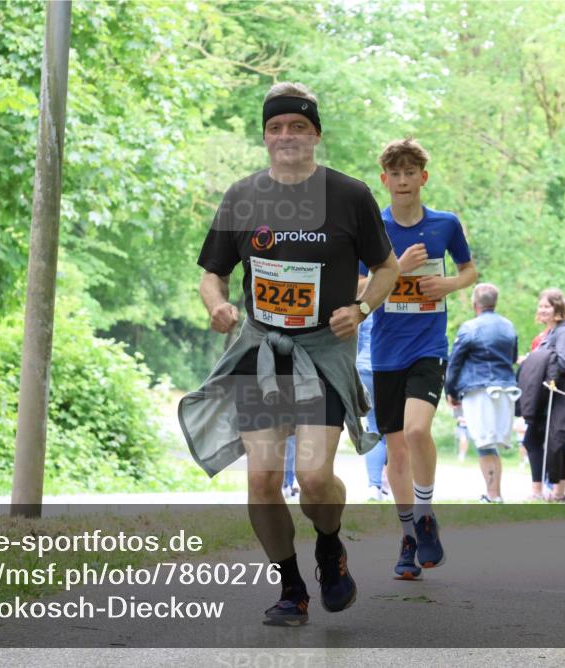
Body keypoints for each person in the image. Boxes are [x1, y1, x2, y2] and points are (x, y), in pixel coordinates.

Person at [180, 82, 400, 627]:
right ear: (264, 136)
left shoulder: (349, 196)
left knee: (314, 476)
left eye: (298, 126)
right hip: (263, 349)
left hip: (322, 351)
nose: (287, 137)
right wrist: (218, 307)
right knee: (261, 478)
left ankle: (330, 545)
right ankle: (291, 587)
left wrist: (363, 308)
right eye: (277, 127)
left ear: (316, 134)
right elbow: (214, 273)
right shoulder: (242, 196)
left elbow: (388, 267)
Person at [359, 138, 478, 578]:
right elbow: (356, 289)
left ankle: (426, 515)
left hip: (428, 347)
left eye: (412, 173)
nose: (404, 180)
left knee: (416, 429)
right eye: (396, 173)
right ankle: (408, 536)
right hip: (386, 352)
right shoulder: (375, 229)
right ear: (384, 180)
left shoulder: (445, 224)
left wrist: (449, 285)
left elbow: (469, 271)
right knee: (396, 454)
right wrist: (397, 271)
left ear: (423, 178)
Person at [444, 283, 519, 504]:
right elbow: (513, 358)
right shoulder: (508, 326)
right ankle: (495, 493)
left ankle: (493, 495)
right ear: (494, 302)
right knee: (492, 444)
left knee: (484, 444)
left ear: (475, 303)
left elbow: (455, 362)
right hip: (506, 389)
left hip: (479, 390)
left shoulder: (470, 327)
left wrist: (451, 391)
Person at [517, 288, 565, 502]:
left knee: (557, 444)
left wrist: (536, 360)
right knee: (532, 441)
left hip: (560, 396)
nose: (542, 310)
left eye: (547, 306)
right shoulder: (546, 335)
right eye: (540, 306)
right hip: (542, 397)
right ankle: (538, 491)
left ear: (558, 308)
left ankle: (559, 493)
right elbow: (548, 358)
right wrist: (531, 360)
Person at [357, 313, 389, 501]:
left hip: (365, 369)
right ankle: (389, 482)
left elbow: (357, 340)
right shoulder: (400, 300)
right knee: (395, 430)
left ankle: (374, 486)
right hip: (391, 368)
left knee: (375, 428)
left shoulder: (368, 303)